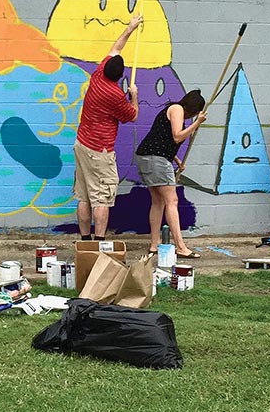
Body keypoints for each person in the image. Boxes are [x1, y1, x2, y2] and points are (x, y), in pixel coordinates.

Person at [73, 14, 142, 240]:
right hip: (99, 152)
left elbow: (116, 48)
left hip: (82, 144)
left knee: (84, 197)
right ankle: (99, 243)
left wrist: (130, 28)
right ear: (120, 76)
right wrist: (134, 96)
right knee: (101, 198)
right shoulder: (114, 95)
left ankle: (85, 241)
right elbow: (132, 116)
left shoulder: (98, 74)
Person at [135, 89, 207, 258]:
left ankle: (154, 244)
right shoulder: (177, 109)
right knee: (172, 201)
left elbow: (161, 138)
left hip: (147, 157)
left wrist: (176, 159)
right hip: (156, 159)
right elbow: (176, 137)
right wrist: (197, 123)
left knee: (158, 202)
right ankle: (180, 246)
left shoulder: (173, 110)